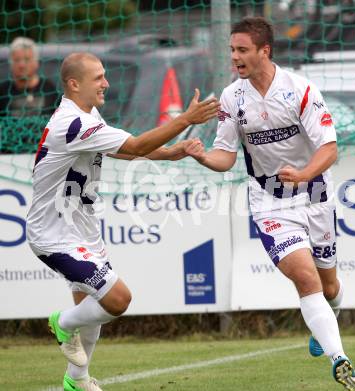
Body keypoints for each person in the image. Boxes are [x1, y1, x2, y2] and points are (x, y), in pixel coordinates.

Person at [184, 17, 355, 390]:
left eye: (242, 50)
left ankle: (330, 315)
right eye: (232, 50)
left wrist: (302, 174)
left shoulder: (300, 89)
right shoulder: (232, 97)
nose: (235, 58)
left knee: (328, 287)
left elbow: (329, 149)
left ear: (265, 51)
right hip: (269, 203)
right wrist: (201, 156)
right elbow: (225, 156)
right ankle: (340, 360)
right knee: (305, 277)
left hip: (314, 194)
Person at [26, 52, 219, 391]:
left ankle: (78, 381)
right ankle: (62, 324)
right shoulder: (72, 123)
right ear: (74, 84)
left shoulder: (87, 116)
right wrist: (186, 118)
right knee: (117, 300)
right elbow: (136, 143)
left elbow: (121, 149)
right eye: (98, 77)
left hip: (81, 228)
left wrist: (169, 152)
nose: (107, 83)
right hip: (54, 234)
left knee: (93, 306)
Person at [0, 37, 59, 152]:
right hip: (8, 157)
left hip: (42, 155)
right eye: (17, 60)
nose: (21, 65)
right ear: (11, 64)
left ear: (36, 62)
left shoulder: (49, 89)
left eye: (26, 59)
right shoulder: (3, 90)